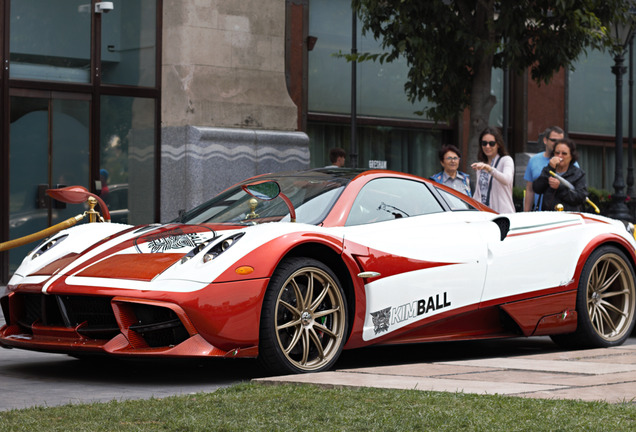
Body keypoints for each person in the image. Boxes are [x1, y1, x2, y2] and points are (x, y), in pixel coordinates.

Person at [532, 138, 587, 212]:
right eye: (557, 153)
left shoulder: (578, 174)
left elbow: (580, 198)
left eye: (564, 153)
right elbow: (537, 188)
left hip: (569, 217)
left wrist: (560, 188)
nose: (560, 156)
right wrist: (550, 168)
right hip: (549, 216)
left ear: (571, 156)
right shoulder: (548, 169)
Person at [471, 127, 516, 213]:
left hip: (502, 214)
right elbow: (478, 192)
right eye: (484, 143)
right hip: (484, 214)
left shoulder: (506, 160)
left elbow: (507, 179)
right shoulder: (481, 164)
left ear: (498, 144)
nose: (487, 146)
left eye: (491, 143)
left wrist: (489, 169)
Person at [524, 126, 569, 211]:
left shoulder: (570, 162)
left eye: (560, 141)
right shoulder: (534, 160)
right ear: (545, 140)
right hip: (540, 214)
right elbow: (530, 190)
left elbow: (576, 190)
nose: (557, 144)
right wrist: (526, 213)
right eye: (553, 140)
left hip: (563, 216)